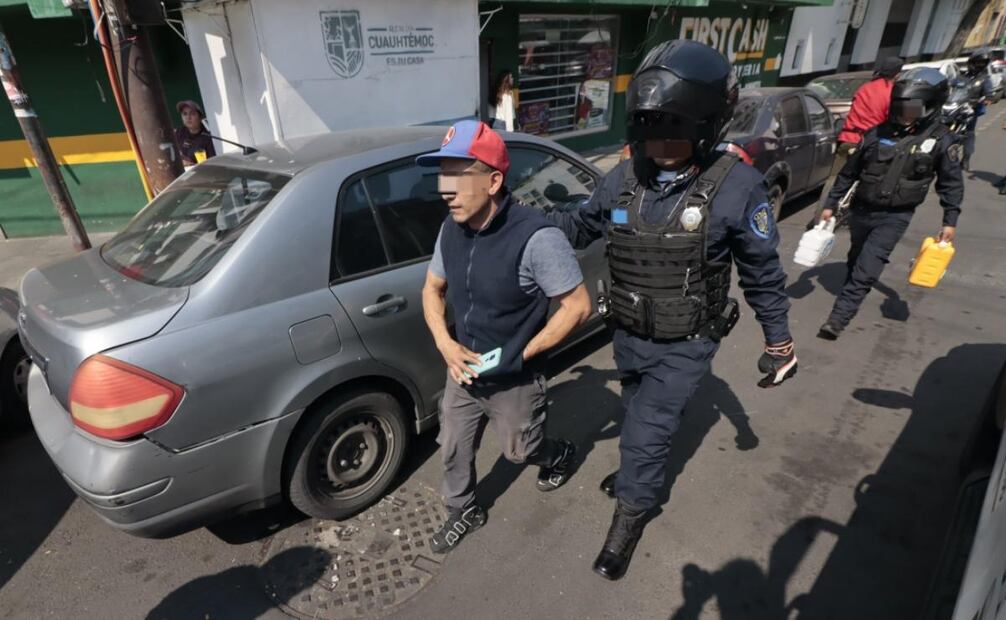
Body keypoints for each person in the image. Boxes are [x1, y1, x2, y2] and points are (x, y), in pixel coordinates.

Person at [546, 40, 797, 581]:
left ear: (706, 124)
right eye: (649, 128)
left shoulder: (737, 188)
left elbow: (762, 273)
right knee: (638, 412)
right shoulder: (623, 177)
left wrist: (778, 342)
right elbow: (581, 226)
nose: (658, 143)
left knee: (647, 432)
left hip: (685, 344)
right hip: (629, 333)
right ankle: (641, 473)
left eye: (671, 129)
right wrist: (519, 223)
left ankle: (629, 517)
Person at [418, 120, 592, 554]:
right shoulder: (451, 230)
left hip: (514, 376)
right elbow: (431, 289)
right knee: (453, 447)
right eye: (442, 174)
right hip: (464, 368)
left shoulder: (537, 238)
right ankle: (464, 511)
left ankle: (556, 454)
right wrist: (445, 344)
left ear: (494, 180)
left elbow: (578, 306)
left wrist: (518, 354)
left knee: (520, 451)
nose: (445, 188)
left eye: (458, 174)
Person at [817, 67, 963, 340]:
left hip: (895, 216)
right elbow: (849, 171)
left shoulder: (942, 140)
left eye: (912, 108)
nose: (905, 113)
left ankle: (837, 320)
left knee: (867, 267)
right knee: (856, 257)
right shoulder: (876, 133)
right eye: (901, 107)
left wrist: (949, 220)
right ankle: (853, 284)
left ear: (930, 106)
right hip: (861, 210)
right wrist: (831, 203)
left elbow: (951, 183)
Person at [817, 57, 904, 215]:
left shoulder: (865, 87)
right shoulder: (893, 93)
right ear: (897, 75)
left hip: (848, 138)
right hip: (870, 143)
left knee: (836, 176)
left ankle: (827, 206)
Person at [960, 49, 995, 171]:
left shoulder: (984, 79)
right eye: (978, 62)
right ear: (972, 62)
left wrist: (988, 99)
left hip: (971, 109)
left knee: (969, 134)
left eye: (983, 63)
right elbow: (951, 87)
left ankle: (966, 159)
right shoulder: (962, 76)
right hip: (956, 108)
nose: (980, 65)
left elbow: (990, 93)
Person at [175, 100, 216, 168]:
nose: (188, 117)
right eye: (184, 114)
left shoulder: (208, 136)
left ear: (200, 117)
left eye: (192, 114)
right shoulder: (180, 132)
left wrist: (192, 165)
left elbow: (212, 165)